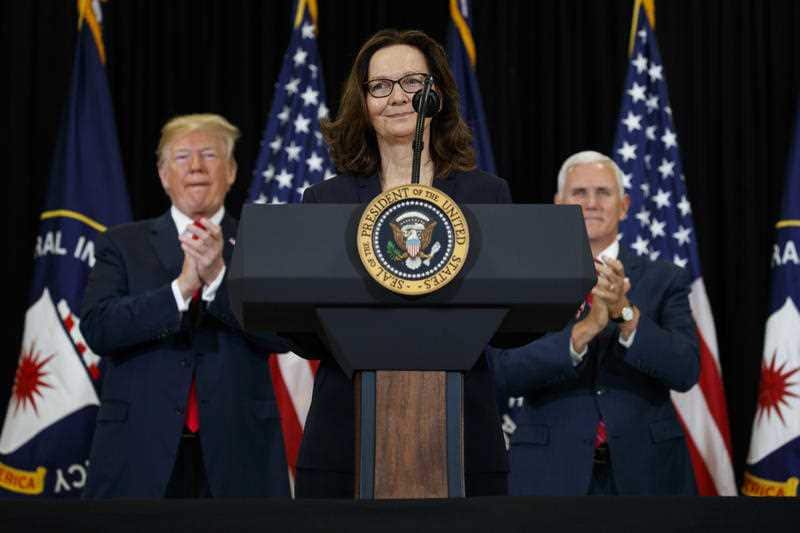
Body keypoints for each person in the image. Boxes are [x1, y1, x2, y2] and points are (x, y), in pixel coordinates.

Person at [296, 29, 511, 498]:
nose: (397, 97)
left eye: (413, 83)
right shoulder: (325, 202)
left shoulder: (486, 196)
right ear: (364, 101)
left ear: (438, 95)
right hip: (345, 437)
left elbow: (514, 321)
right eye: (380, 86)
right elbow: (298, 326)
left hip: (462, 435)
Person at [81, 114, 290, 498]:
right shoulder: (122, 244)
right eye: (182, 157)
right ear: (162, 174)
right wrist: (181, 289)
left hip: (239, 452)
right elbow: (99, 328)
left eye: (209, 154)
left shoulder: (260, 240)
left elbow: (281, 332)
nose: (195, 166)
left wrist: (217, 281)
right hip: (138, 451)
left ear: (230, 171)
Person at [488, 151, 699, 495]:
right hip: (551, 474)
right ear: (559, 204)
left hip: (648, 474)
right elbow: (503, 373)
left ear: (624, 205)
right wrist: (583, 331)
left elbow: (686, 370)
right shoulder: (527, 278)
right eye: (579, 193)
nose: (591, 203)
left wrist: (625, 314)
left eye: (603, 192)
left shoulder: (665, 279)